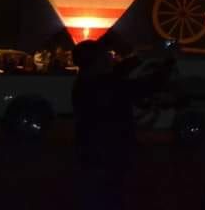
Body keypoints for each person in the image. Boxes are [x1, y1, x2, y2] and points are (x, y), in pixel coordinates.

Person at [72, 40, 174, 210]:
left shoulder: (85, 82)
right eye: (106, 56)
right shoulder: (105, 86)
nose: (111, 59)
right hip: (109, 156)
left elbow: (118, 73)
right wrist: (169, 63)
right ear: (98, 61)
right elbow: (147, 86)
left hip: (92, 154)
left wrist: (139, 57)